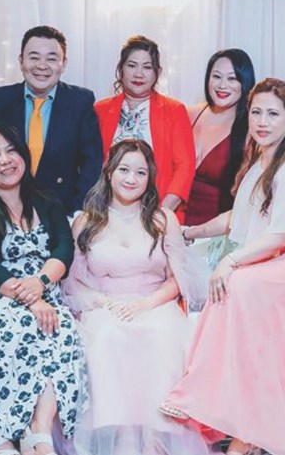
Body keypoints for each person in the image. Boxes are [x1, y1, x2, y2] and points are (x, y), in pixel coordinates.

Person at [161, 78, 285, 455]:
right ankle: (243, 430)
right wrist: (189, 231)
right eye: (257, 112)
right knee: (244, 304)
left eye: (273, 114)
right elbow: (239, 218)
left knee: (238, 285)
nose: (263, 121)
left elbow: (281, 234)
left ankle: (206, 400)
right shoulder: (260, 160)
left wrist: (230, 261)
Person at [62, 139, 212, 455]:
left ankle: (157, 437)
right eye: (124, 170)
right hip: (103, 303)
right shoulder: (86, 222)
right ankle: (122, 437)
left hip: (154, 302)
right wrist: (106, 304)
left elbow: (177, 278)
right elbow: (74, 282)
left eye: (140, 172)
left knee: (163, 334)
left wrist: (145, 304)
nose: (131, 179)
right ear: (109, 172)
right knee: (106, 335)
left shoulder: (163, 220)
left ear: (150, 177)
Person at [0, 122, 87, 455]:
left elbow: (64, 249)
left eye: (11, 150)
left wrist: (40, 284)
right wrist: (31, 300)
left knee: (63, 329)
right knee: (16, 327)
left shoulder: (46, 200)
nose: (5, 160)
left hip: (42, 285)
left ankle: (38, 430)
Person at [0, 25, 103, 214]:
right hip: (5, 211)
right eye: (34, 57)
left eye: (51, 58)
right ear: (21, 61)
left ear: (63, 63)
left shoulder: (80, 101)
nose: (42, 66)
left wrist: (78, 213)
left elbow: (92, 163)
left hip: (62, 212)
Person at [94, 36, 195, 221]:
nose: (139, 74)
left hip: (158, 210)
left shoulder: (174, 110)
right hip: (106, 211)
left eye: (147, 67)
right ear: (121, 69)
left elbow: (185, 166)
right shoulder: (100, 110)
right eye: (132, 65)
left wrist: (160, 214)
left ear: (157, 72)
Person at [184, 49, 254, 226]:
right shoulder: (190, 114)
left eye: (232, 78)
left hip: (216, 228)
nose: (222, 85)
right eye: (216, 76)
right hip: (174, 221)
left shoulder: (251, 128)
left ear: (245, 81)